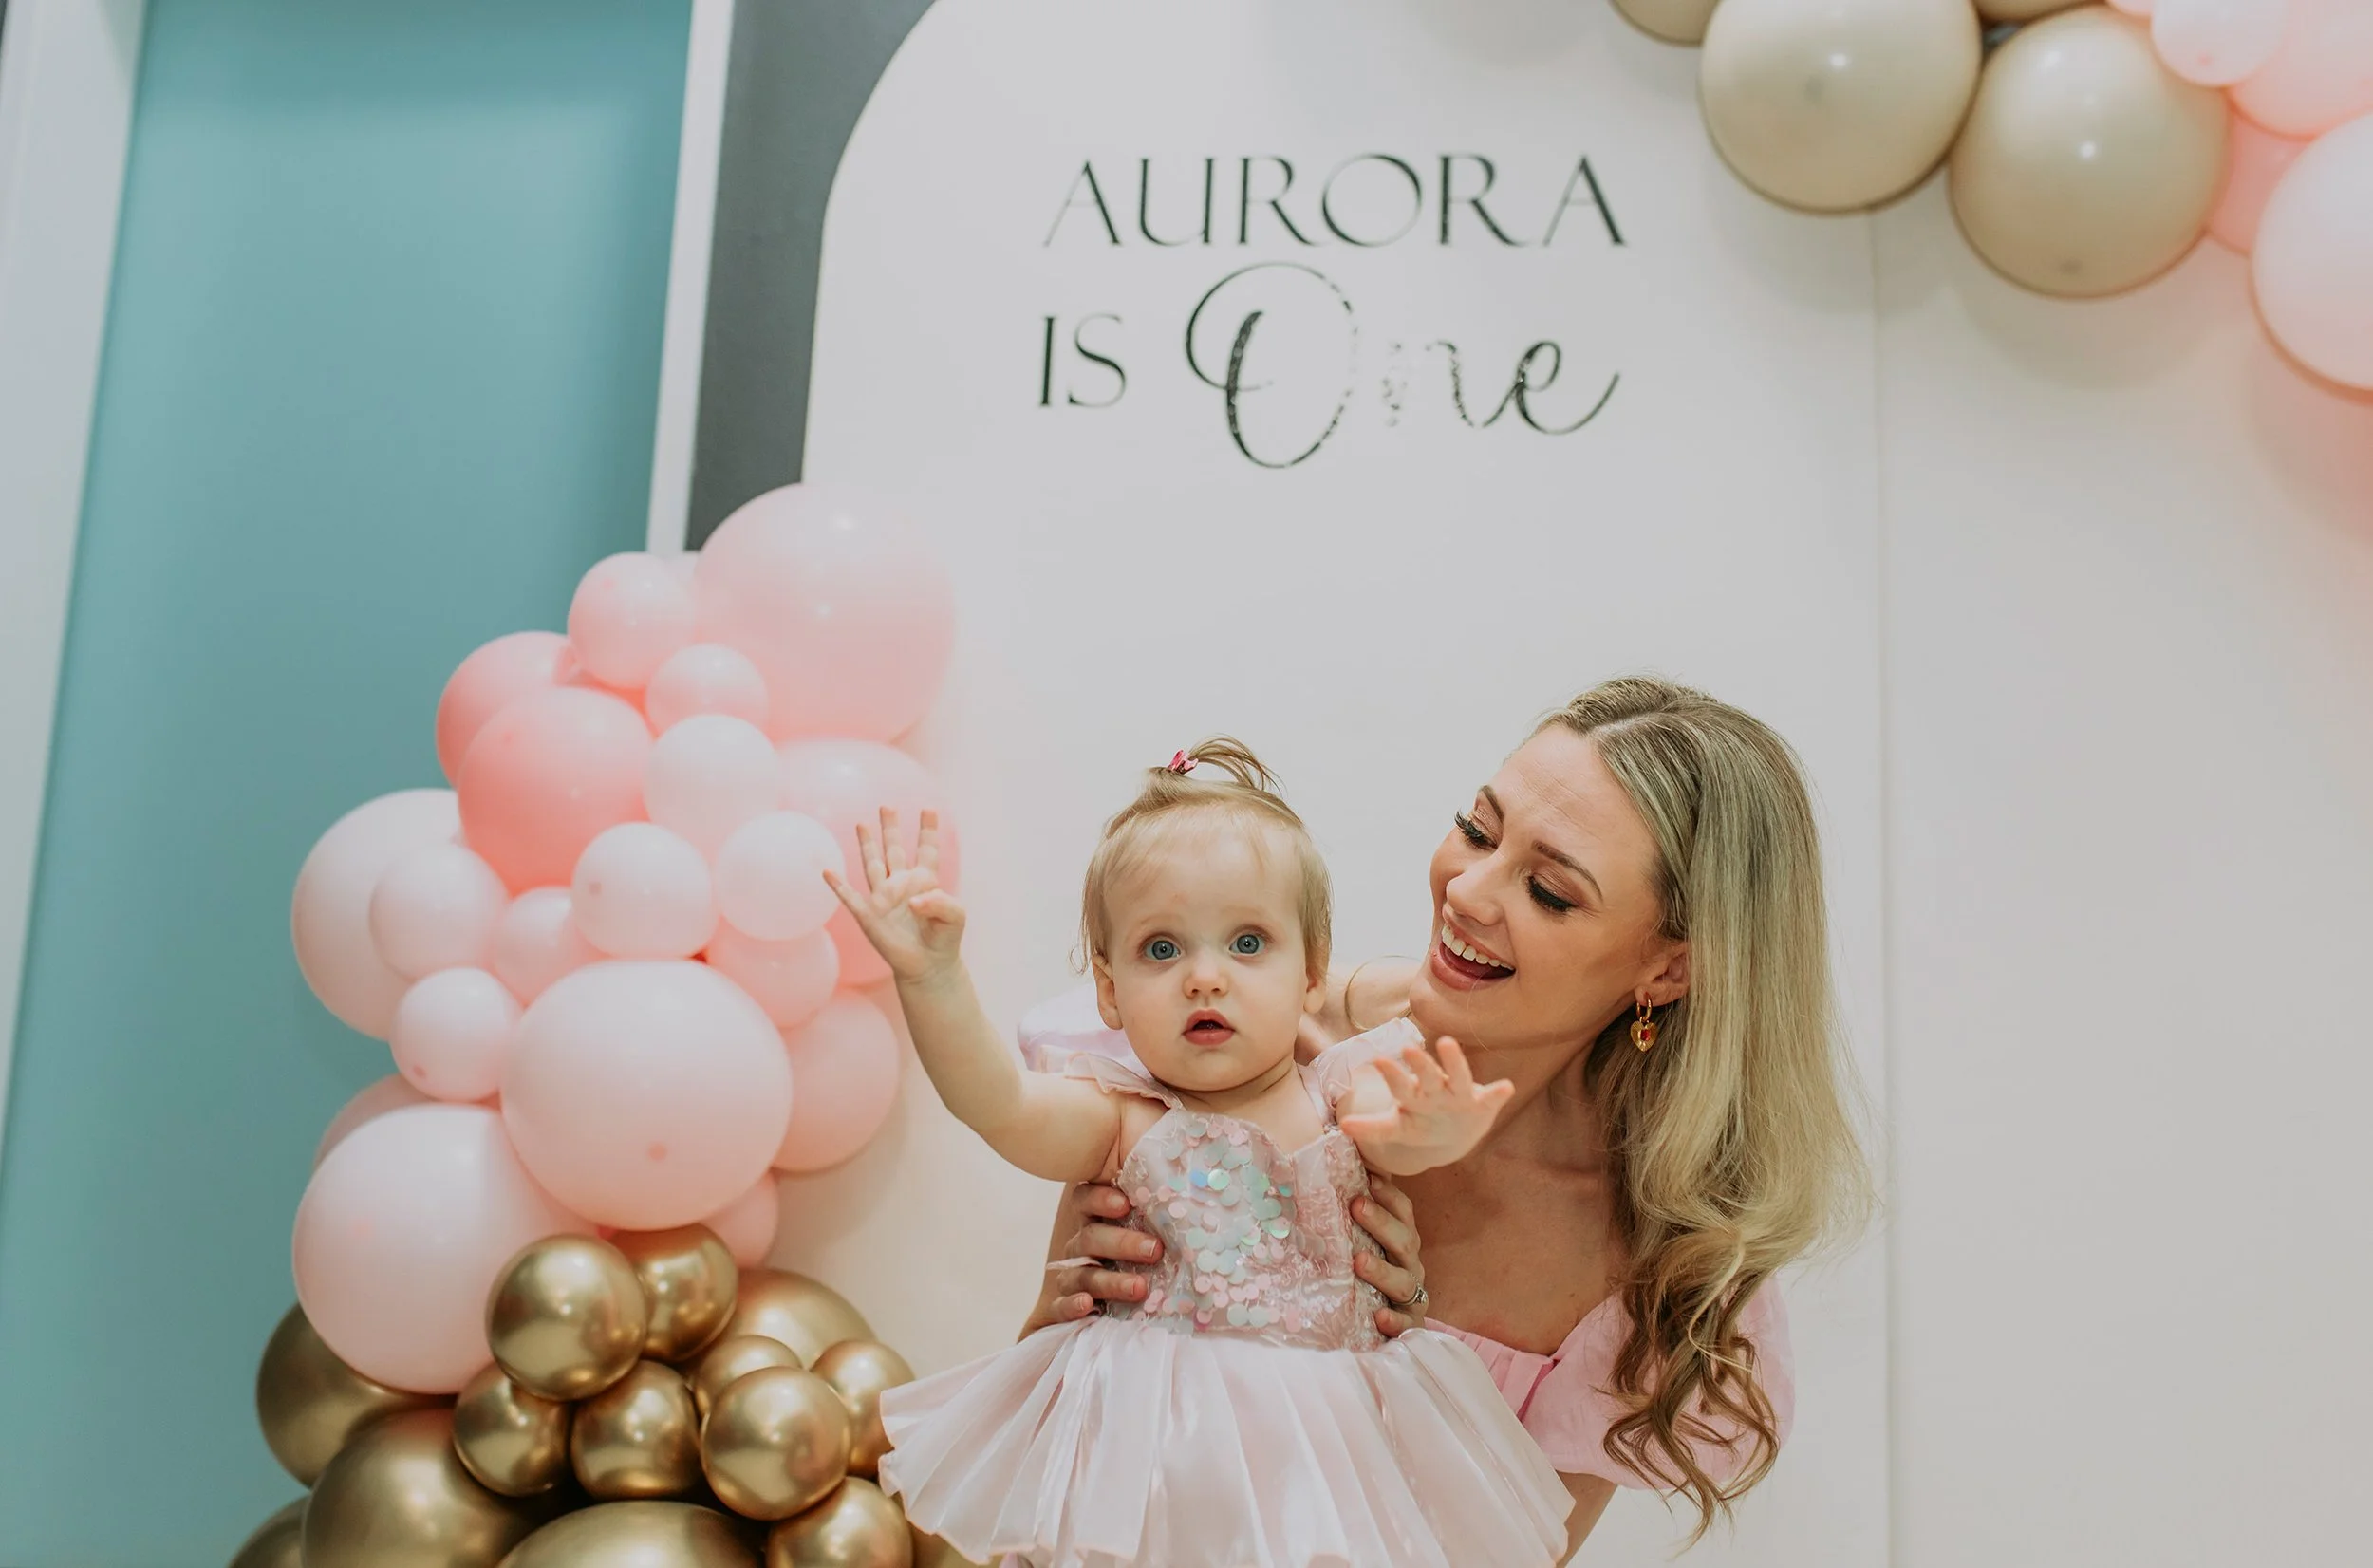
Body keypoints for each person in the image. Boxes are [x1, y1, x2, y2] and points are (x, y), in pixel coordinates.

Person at [1019, 679, 1874, 1556]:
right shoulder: (1243, 1044)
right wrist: (1052, 1332)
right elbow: (1057, 1477)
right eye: (1477, 829)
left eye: (1548, 890)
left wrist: (1393, 1351)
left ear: (1668, 970)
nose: (1468, 890)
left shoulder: (1652, 1281)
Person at [824, 742, 1574, 1568]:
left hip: (1324, 1448)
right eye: (1162, 950)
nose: (1205, 978)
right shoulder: (1121, 1119)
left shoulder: (1336, 1091)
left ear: (1312, 974)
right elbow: (997, 1104)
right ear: (1109, 991)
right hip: (1153, 1447)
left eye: (1248, 944)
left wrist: (1436, 1131)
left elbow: (1390, 1130)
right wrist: (933, 980)